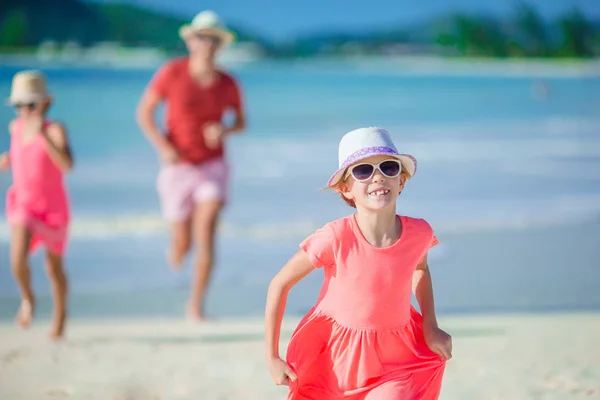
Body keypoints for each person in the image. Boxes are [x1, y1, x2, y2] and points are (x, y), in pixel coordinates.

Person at [265, 127, 452, 399]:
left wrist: (430, 326)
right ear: (346, 189)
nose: (378, 176)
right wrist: (272, 356)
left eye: (388, 167)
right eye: (363, 171)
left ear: (401, 181)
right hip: (335, 362)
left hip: (397, 358)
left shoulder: (419, 233)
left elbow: (420, 268)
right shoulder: (335, 237)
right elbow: (280, 284)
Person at [136, 10, 246, 321]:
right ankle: (178, 246)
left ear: (219, 44)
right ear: (190, 40)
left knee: (207, 230)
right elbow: (144, 113)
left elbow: (241, 121)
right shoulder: (172, 72)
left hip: (212, 164)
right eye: (201, 37)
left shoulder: (228, 83)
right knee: (182, 240)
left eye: (212, 39)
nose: (206, 43)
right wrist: (162, 146)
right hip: (178, 166)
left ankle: (196, 305)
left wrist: (223, 130)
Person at [0, 70, 74, 340]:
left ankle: (60, 317)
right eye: (19, 105)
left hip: (52, 208)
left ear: (44, 103)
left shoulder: (55, 129)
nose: (24, 111)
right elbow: (22, 158)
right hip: (24, 203)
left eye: (30, 104)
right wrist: (7, 160)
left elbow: (67, 165)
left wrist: (43, 137)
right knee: (17, 257)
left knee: (53, 267)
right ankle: (28, 298)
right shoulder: (15, 128)